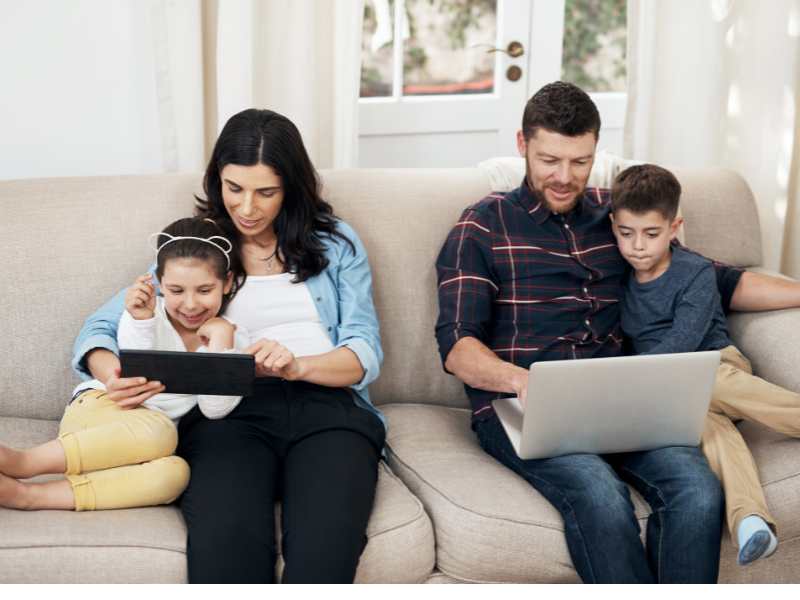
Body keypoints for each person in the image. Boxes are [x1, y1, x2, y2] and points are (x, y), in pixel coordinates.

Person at [435, 81, 800, 583]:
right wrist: (522, 381)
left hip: (624, 398)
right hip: (527, 402)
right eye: (549, 160)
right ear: (522, 146)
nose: (564, 177)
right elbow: (458, 348)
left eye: (580, 162)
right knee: (600, 496)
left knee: (697, 489)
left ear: (595, 153)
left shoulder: (620, 218)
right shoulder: (482, 226)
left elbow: (722, 280)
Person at [70, 109, 386, 583]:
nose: (247, 208)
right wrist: (114, 375)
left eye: (266, 192)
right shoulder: (198, 247)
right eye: (233, 188)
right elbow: (98, 327)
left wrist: (296, 365)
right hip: (227, 415)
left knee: (324, 554)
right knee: (226, 551)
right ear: (217, 179)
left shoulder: (337, 244)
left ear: (293, 187)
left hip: (328, 411)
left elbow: (364, 353)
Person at [610, 163, 800, 566]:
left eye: (651, 234)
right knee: (708, 429)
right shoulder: (620, 280)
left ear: (674, 226)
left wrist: (630, 378)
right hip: (668, 391)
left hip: (713, 365)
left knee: (707, 385)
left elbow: (684, 343)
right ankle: (751, 520)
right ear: (613, 225)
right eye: (626, 234)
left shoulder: (694, 272)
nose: (637, 246)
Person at [0, 216, 249, 511]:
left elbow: (214, 409)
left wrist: (220, 341)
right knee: (162, 432)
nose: (191, 304)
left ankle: (26, 497)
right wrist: (142, 320)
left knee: (175, 473)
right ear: (159, 283)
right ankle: (23, 462)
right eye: (177, 291)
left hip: (140, 446)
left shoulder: (234, 337)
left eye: (204, 290)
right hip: (103, 410)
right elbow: (137, 370)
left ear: (227, 283)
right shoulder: (144, 315)